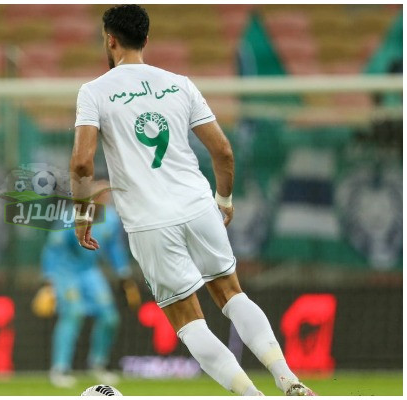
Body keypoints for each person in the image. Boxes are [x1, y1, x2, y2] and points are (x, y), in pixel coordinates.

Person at [69, 5, 315, 396]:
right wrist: (225, 198)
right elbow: (223, 152)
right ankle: (289, 380)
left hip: (150, 221)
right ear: (146, 40)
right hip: (199, 204)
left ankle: (253, 396)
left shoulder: (94, 92)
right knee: (233, 295)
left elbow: (82, 163)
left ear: (110, 39)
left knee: (190, 322)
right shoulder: (180, 83)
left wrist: (83, 213)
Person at [33, 183, 141, 388]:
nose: (104, 196)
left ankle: (98, 365)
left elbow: (114, 248)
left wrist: (124, 275)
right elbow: (53, 248)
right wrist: (48, 280)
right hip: (66, 272)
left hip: (89, 271)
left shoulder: (110, 218)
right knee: (73, 314)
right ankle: (60, 368)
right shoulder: (69, 216)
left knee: (110, 317)